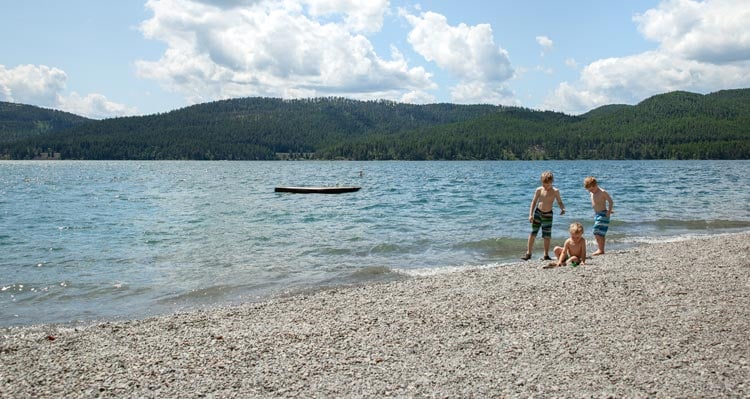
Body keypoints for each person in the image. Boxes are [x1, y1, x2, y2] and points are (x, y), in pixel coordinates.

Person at [522, 171, 565, 261]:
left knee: (547, 235)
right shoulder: (539, 190)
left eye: (547, 184)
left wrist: (562, 208)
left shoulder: (555, 191)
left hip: (548, 214)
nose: (545, 186)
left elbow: (559, 201)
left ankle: (546, 255)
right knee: (533, 233)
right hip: (538, 213)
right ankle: (528, 253)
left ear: (551, 182)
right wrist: (530, 214)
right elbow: (533, 202)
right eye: (544, 184)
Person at [584, 176, 614, 255]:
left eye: (592, 189)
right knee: (600, 233)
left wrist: (609, 211)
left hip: (603, 214)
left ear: (596, 185)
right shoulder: (592, 192)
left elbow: (610, 201)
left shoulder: (602, 192)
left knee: (596, 231)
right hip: (597, 214)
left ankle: (600, 249)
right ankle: (601, 249)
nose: (591, 191)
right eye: (589, 190)